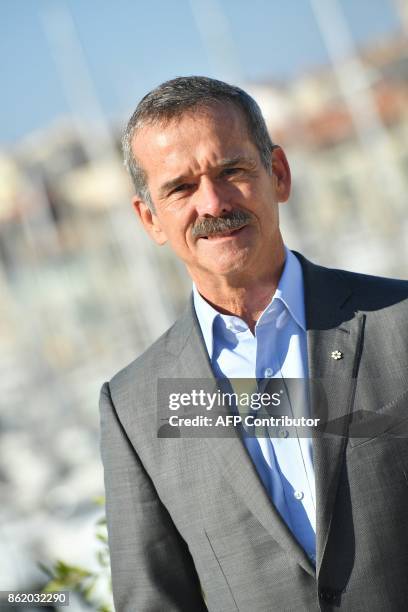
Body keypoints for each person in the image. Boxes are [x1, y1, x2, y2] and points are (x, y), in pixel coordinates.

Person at [99, 76, 408, 611]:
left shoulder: (398, 325)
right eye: (180, 188)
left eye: (232, 171)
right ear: (149, 218)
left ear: (279, 174)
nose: (213, 202)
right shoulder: (133, 406)